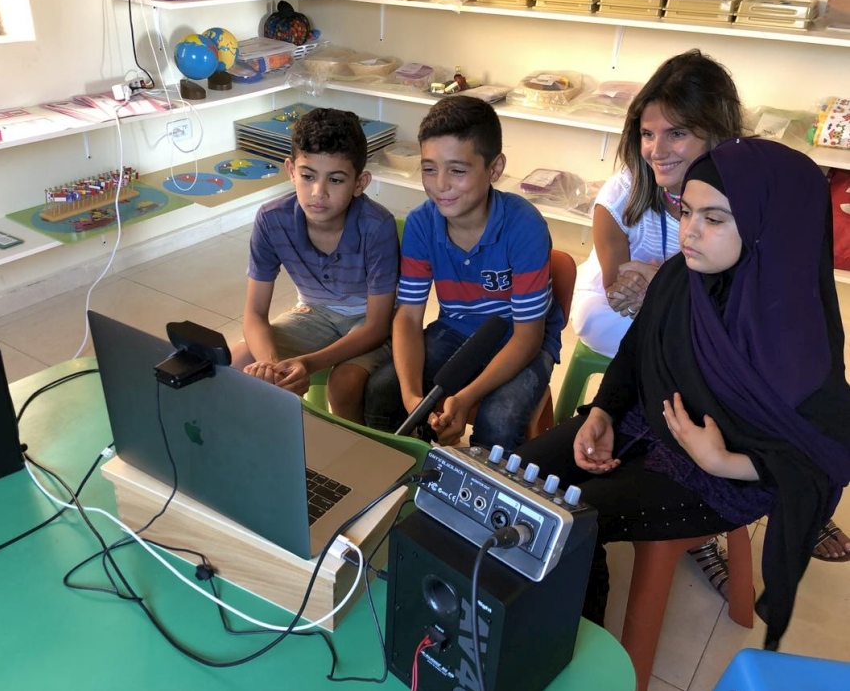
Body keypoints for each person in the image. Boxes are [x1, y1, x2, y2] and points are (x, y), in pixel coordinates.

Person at [514, 137, 850, 650]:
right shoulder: (680, 278)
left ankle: (575, 666)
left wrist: (723, 463)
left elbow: (826, 455)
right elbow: (634, 354)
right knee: (512, 475)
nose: (688, 232)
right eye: (686, 210)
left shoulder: (796, 335)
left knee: (575, 524)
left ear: (768, 226)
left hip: (720, 479)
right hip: (643, 423)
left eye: (714, 219)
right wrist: (603, 411)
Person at [364, 95, 564, 451]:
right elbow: (408, 317)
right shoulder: (422, 224)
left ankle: (484, 500)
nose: (440, 184)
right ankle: (402, 484)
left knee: (499, 419)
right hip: (457, 329)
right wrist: (413, 398)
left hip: (522, 340)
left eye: (457, 170)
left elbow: (528, 337)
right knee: (384, 389)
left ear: (494, 168)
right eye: (429, 168)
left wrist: (464, 396)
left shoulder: (524, 226)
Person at [229, 107, 399, 424]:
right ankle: (276, 453)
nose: (318, 193)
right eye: (307, 176)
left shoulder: (377, 226)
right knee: (238, 360)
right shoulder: (271, 218)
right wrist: (271, 365)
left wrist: (306, 364)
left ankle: (356, 455)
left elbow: (377, 326)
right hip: (314, 313)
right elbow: (253, 313)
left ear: (360, 182)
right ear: (291, 170)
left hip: (371, 322)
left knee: (344, 385)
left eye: (335, 179)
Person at [571, 49, 741, 358]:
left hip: (698, 302)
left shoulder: (745, 193)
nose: (657, 151)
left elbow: (743, 291)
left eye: (676, 133)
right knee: (674, 342)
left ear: (717, 132)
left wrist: (664, 289)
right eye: (648, 134)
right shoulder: (619, 197)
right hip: (624, 311)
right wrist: (631, 291)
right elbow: (615, 293)